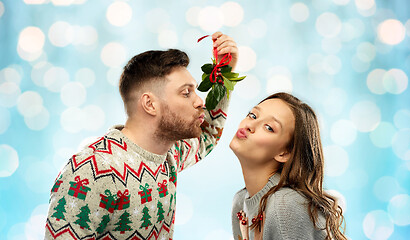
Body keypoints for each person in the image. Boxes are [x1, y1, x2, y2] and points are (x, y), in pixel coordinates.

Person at [45, 32, 238, 239]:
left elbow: (207, 135)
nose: (200, 102)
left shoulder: (169, 154)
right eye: (186, 93)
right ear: (150, 104)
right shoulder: (91, 170)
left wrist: (224, 72)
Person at [230, 92, 347, 240]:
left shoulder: (285, 206)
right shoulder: (240, 202)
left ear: (284, 153)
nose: (250, 125)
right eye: (253, 115)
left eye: (269, 127)